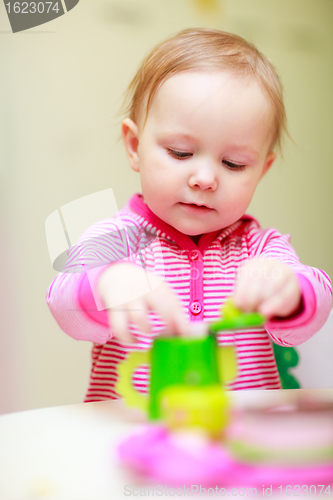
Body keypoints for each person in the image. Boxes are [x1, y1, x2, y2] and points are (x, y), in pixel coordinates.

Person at [47, 28, 332, 401]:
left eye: (233, 163)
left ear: (262, 169)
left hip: (236, 445)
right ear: (135, 146)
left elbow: (315, 306)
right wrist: (107, 282)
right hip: (128, 441)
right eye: (181, 153)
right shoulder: (114, 238)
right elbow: (63, 300)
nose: (205, 178)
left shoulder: (260, 249)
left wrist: (288, 289)